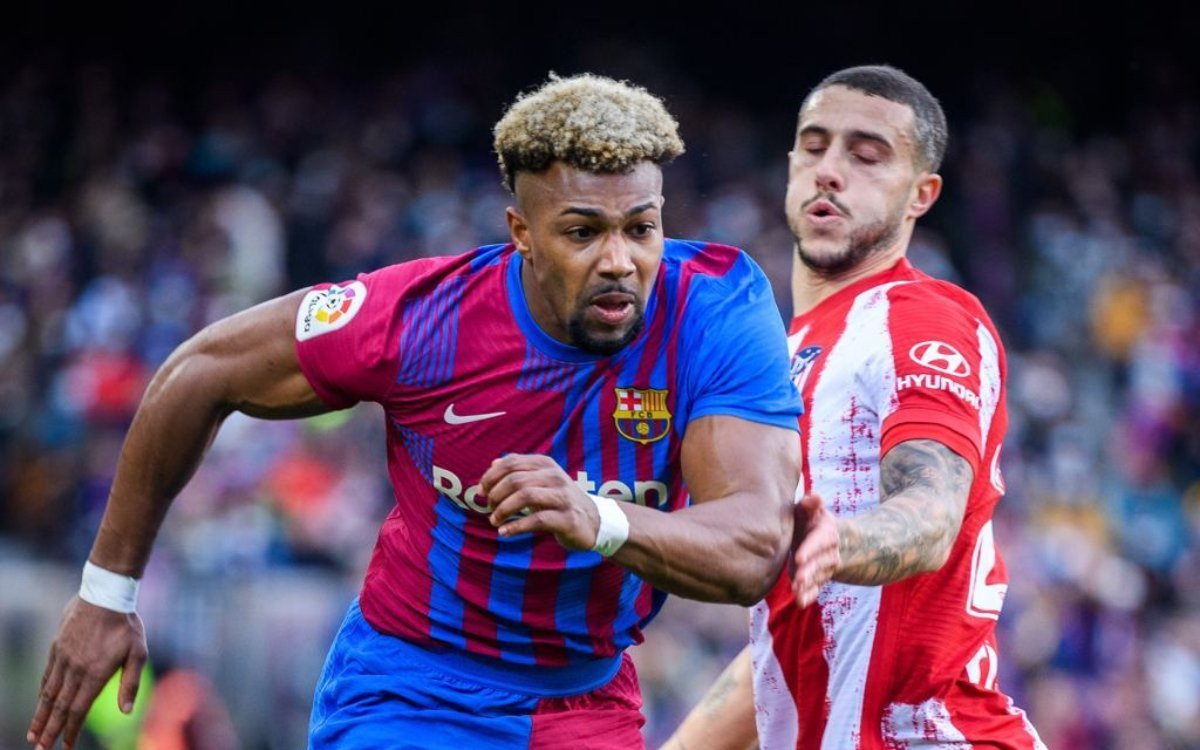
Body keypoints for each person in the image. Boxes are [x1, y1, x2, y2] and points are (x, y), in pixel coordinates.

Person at [28, 73, 822, 750]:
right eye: (582, 231)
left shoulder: (715, 308)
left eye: (641, 228)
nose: (619, 260)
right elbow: (198, 371)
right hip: (413, 687)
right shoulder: (421, 318)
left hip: (587, 701)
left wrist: (597, 519)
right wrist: (107, 593)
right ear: (523, 234)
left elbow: (753, 548)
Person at [665, 65, 1046, 749]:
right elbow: (783, 644)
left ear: (919, 195)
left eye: (867, 156)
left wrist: (845, 541)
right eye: (814, 147)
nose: (830, 170)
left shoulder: (921, 318)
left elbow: (931, 513)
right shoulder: (785, 354)